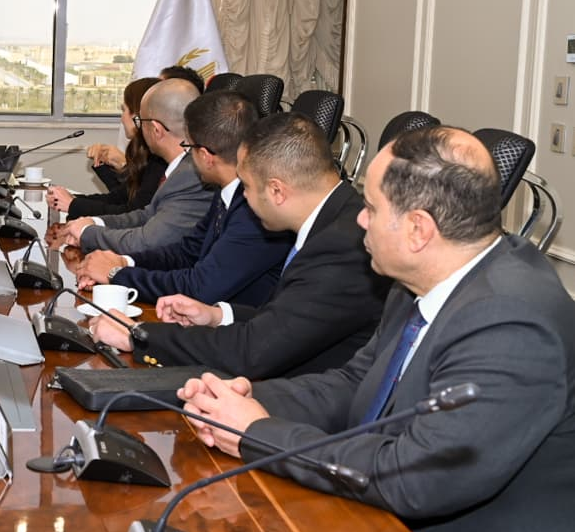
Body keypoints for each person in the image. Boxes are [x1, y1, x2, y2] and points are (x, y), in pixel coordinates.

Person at [176, 126, 575, 532]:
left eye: (370, 207)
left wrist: (256, 433)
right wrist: (240, 400)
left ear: (418, 230)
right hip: (379, 518)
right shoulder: (420, 280)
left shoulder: (510, 323)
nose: (360, 220)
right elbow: (356, 383)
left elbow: (417, 477)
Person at [90, 113, 389, 377]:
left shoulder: (341, 247)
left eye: (245, 186)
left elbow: (253, 351)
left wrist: (139, 336)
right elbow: (286, 319)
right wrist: (218, 315)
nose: (242, 197)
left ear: (277, 191)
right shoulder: (334, 217)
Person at [76, 91, 292, 307]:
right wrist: (124, 262)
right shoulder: (226, 191)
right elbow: (186, 252)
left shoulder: (255, 210)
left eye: (189, 147)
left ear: (205, 156)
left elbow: (199, 287)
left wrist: (116, 274)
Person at [58, 79, 211, 256]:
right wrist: (94, 222)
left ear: (156, 130)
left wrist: (88, 234)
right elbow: (145, 216)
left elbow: (147, 241)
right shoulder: (182, 166)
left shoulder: (191, 174)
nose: (139, 129)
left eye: (140, 121)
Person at [46, 77, 165, 218]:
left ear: (137, 116)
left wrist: (73, 204)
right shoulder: (144, 152)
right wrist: (71, 199)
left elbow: (132, 213)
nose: (122, 118)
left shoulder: (158, 160)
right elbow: (119, 197)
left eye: (124, 110)